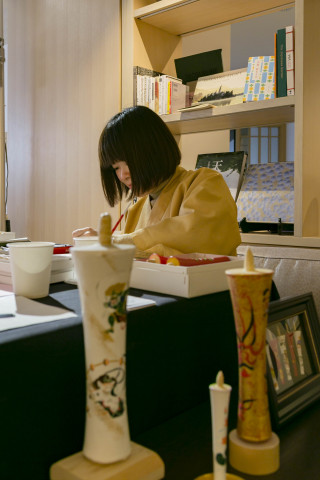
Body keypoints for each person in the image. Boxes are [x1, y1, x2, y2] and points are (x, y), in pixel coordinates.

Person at [73, 105, 241, 257]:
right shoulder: (136, 208)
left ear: (153, 150)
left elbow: (190, 240)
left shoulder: (206, 183)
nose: (123, 175)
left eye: (128, 162)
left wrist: (112, 242)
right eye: (116, 167)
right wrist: (105, 241)